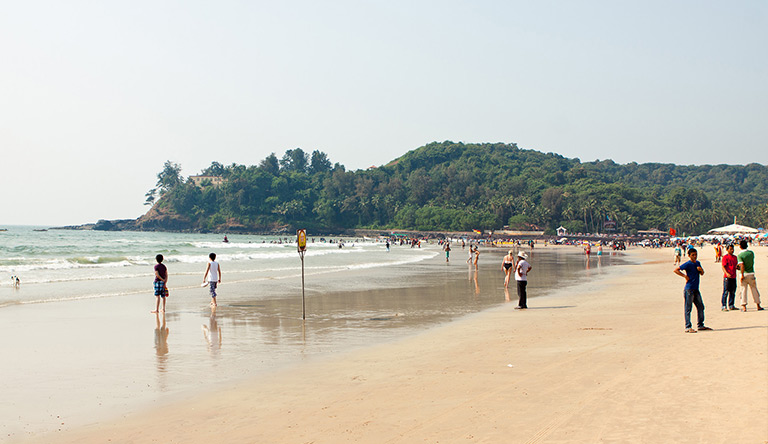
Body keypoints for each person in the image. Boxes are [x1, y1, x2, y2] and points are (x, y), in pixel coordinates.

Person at [673, 248, 712, 333]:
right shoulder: (688, 264)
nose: (695, 256)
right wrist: (684, 276)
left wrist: (701, 270)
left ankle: (700, 325)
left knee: (701, 306)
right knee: (688, 308)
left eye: (695, 255)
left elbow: (702, 273)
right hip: (689, 289)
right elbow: (676, 270)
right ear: (689, 256)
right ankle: (688, 326)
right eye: (693, 255)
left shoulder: (698, 263)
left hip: (695, 289)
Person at [737, 240, 763, 312]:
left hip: (744, 274)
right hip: (751, 273)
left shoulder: (740, 255)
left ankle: (744, 306)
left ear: (740, 246)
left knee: (743, 290)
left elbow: (742, 265)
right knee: (754, 289)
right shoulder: (751, 253)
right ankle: (758, 305)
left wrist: (741, 274)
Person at [721, 244, 738, 311]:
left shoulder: (735, 257)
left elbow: (736, 266)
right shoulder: (725, 257)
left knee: (733, 291)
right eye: (730, 249)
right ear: (727, 249)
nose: (732, 250)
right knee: (726, 291)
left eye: (732, 249)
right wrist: (726, 273)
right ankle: (724, 305)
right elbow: (723, 266)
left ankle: (731, 305)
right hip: (727, 277)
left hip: (733, 276)